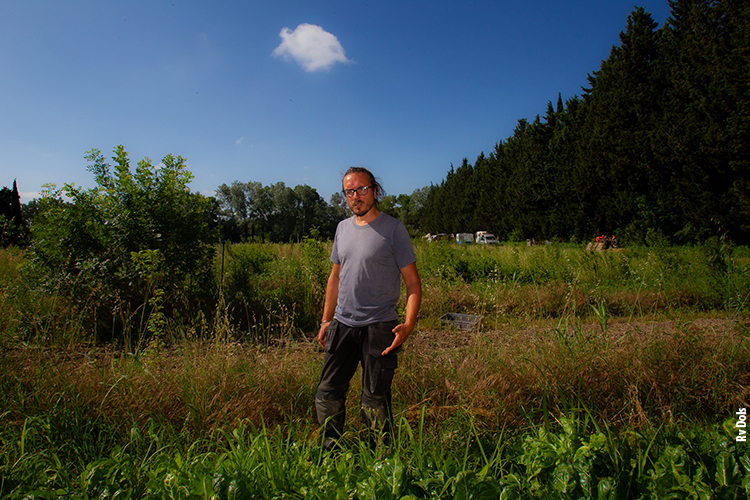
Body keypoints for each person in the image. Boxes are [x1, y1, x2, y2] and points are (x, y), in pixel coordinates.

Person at [315, 166, 422, 451]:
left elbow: (412, 282)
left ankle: (383, 463)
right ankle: (331, 457)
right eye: (349, 191)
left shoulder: (394, 230)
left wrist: (408, 324)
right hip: (342, 324)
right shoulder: (342, 228)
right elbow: (335, 277)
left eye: (362, 189)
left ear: (375, 190)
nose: (356, 196)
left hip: (380, 325)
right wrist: (326, 320)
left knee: (374, 400)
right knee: (327, 393)